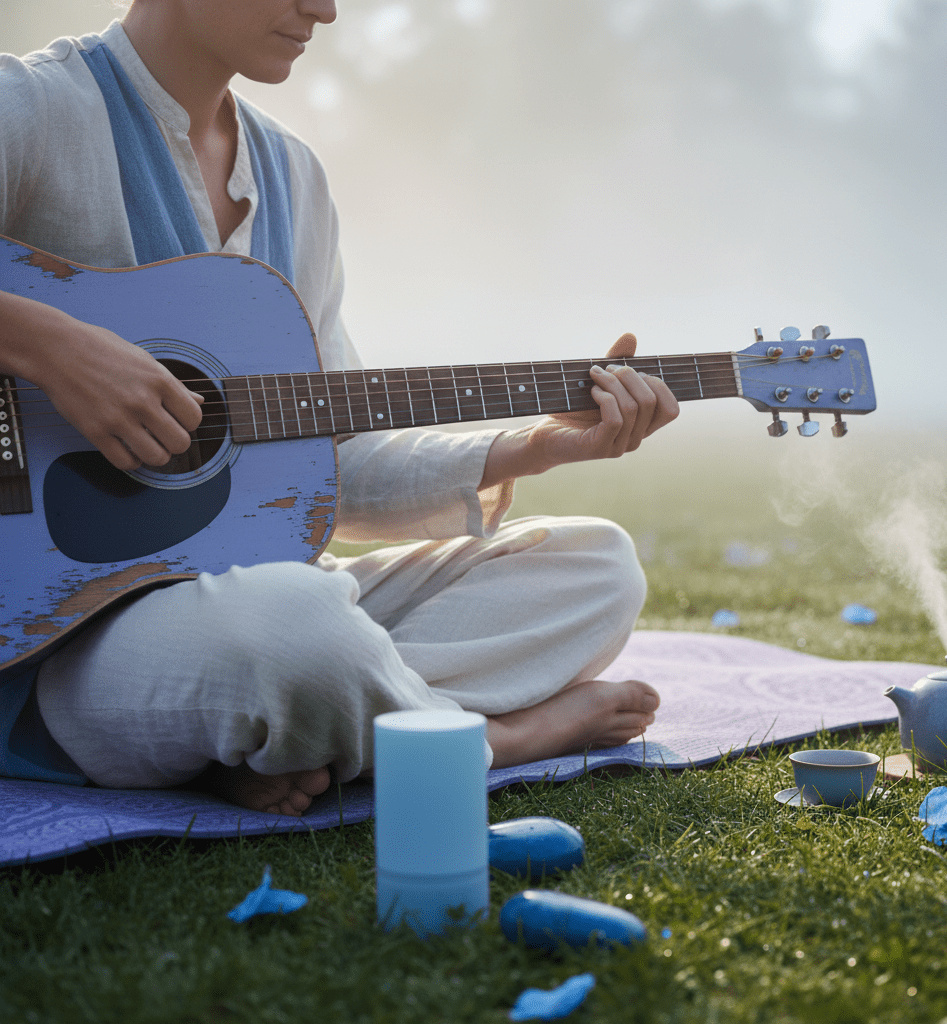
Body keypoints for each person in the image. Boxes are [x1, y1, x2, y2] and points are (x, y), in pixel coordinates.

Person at [0, 0, 678, 816]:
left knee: (597, 566)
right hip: (65, 648)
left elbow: (334, 459)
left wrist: (534, 446)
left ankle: (282, 728)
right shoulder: (32, 109)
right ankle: (498, 739)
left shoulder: (293, 176)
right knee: (295, 627)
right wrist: (47, 345)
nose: (324, 9)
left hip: (250, 605)